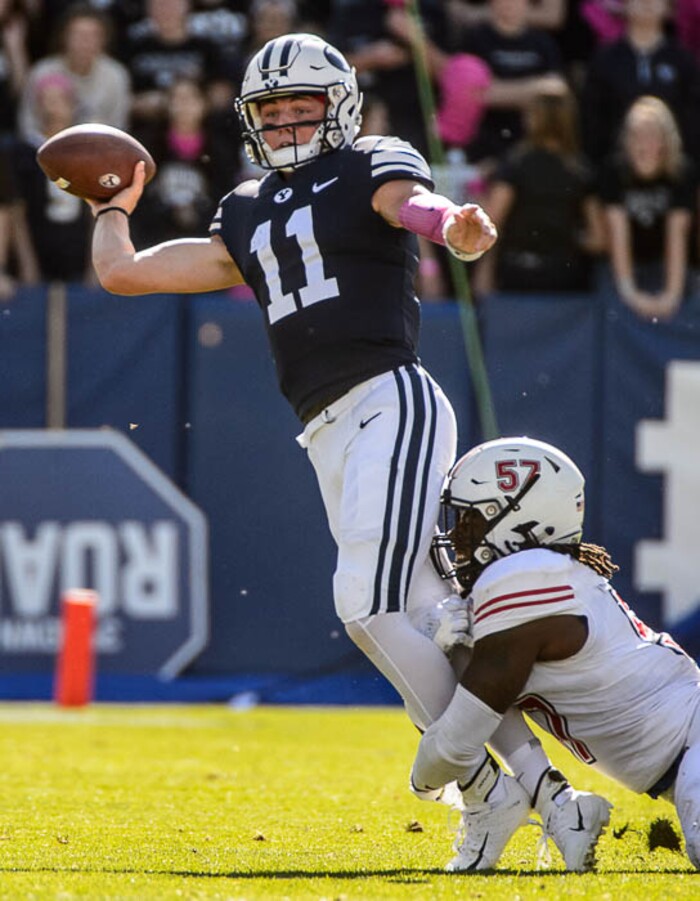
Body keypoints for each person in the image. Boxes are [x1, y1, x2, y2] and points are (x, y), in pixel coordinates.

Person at [86, 32, 608, 870]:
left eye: (303, 105)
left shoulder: (370, 161)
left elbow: (412, 204)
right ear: (251, 120)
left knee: (364, 605)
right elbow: (126, 274)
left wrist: (455, 227)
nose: (289, 120)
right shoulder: (246, 207)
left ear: (341, 105)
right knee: (427, 629)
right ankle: (553, 800)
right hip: (329, 430)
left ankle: (484, 788)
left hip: (389, 401)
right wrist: (111, 198)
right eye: (273, 109)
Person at [411, 434, 700, 871]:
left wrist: (423, 783)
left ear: (515, 519)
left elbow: (455, 744)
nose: (456, 534)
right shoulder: (545, 575)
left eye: (470, 517)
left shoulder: (523, 578)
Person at [473, 82, 605, 296]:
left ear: (533, 118)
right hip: (566, 279)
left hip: (517, 275)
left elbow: (490, 223)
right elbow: (598, 239)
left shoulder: (516, 164)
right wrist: (567, 235)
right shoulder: (581, 171)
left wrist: (476, 192)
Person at [598, 95, 696, 321]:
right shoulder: (614, 172)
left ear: (665, 140)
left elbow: (677, 234)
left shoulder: (681, 174)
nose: (643, 143)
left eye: (651, 135)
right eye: (636, 136)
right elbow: (617, 231)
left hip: (665, 265)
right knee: (607, 291)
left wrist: (671, 295)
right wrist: (629, 292)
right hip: (625, 265)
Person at [18, 4, 132, 140]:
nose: (85, 42)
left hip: (99, 150)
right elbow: (28, 125)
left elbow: (119, 127)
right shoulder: (42, 71)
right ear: (64, 37)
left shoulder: (116, 75)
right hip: (44, 148)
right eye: (78, 35)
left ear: (104, 40)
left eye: (93, 36)